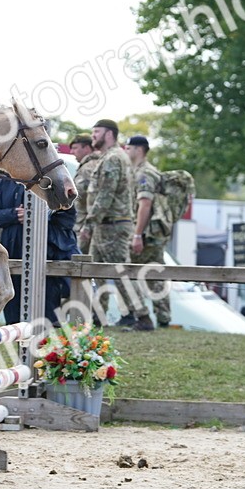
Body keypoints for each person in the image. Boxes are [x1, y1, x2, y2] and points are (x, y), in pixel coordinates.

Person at [78, 119, 150, 330]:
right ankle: (98, 316)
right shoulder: (112, 157)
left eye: (96, 132)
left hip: (113, 225)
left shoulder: (113, 158)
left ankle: (143, 317)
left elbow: (105, 195)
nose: (93, 137)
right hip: (105, 225)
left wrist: (89, 224)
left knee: (121, 273)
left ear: (109, 134)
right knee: (97, 272)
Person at [0, 175, 76, 326]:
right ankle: (20, 347)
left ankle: (47, 346)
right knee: (14, 311)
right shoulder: (4, 183)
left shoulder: (50, 181)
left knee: (47, 310)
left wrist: (38, 217)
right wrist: (14, 215)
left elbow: (68, 217)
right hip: (12, 249)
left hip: (44, 252)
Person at [124, 135, 170, 328]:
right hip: (145, 232)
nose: (126, 151)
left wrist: (137, 234)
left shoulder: (145, 173)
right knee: (142, 273)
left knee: (152, 274)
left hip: (148, 234)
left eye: (128, 148)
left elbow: (145, 204)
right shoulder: (136, 171)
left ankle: (162, 318)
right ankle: (156, 317)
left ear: (138, 149)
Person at [68, 134, 97, 253]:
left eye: (75, 148)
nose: (72, 151)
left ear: (87, 148)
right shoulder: (89, 165)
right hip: (88, 224)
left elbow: (83, 196)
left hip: (84, 225)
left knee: (81, 265)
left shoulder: (89, 168)